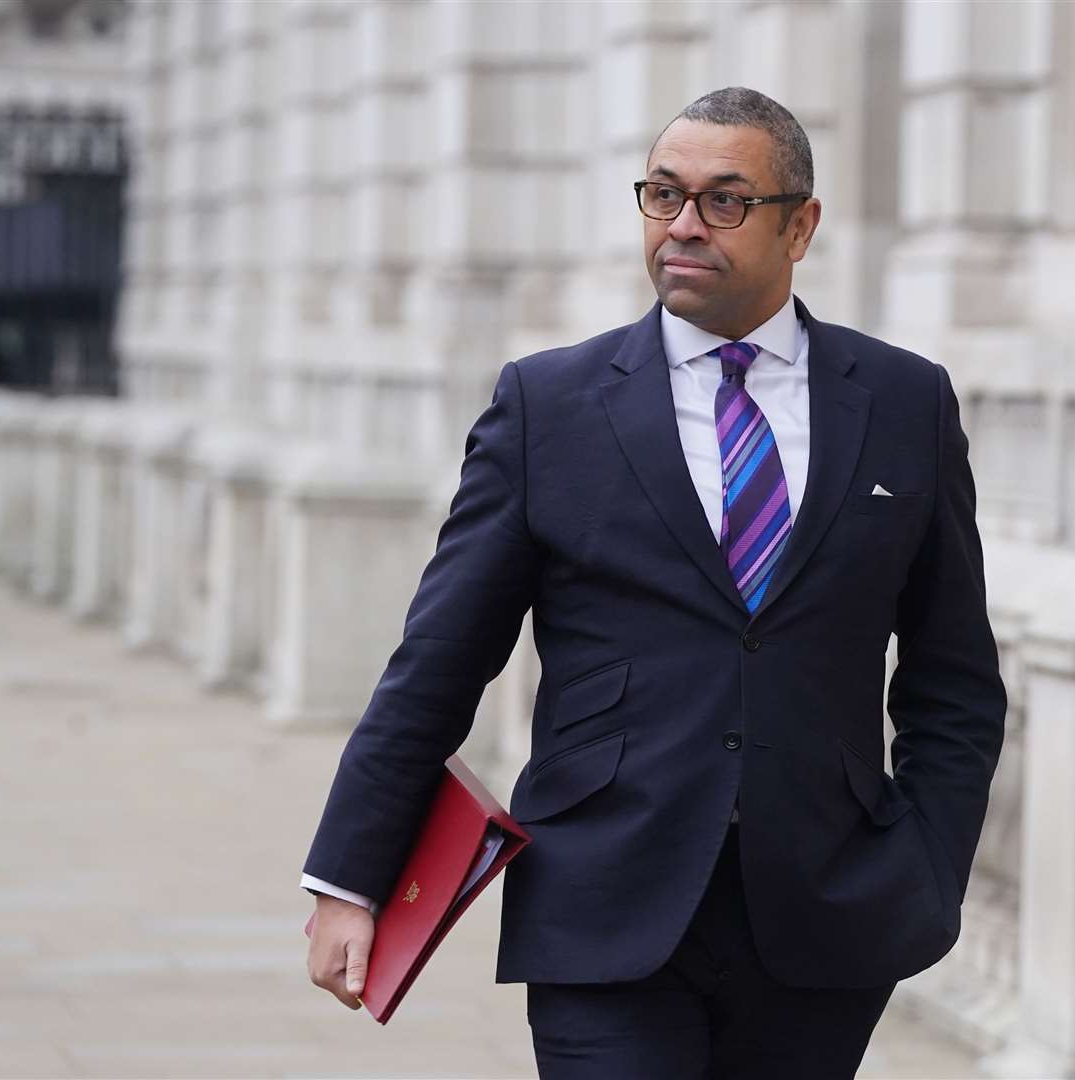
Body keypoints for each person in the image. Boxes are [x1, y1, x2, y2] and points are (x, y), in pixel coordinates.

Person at [301, 86, 1007, 1080]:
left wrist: (925, 865)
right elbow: (439, 660)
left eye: (723, 201)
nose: (682, 224)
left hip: (823, 915)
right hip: (601, 902)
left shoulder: (902, 402)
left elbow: (953, 677)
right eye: (662, 195)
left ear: (799, 226)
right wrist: (350, 877)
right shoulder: (548, 406)